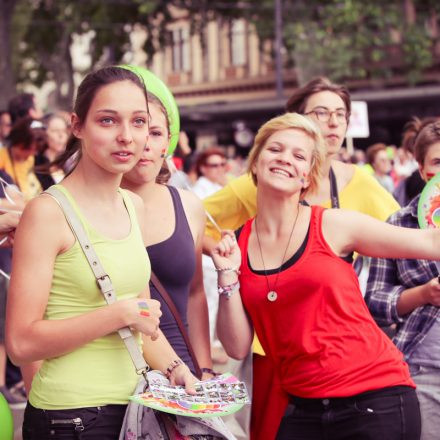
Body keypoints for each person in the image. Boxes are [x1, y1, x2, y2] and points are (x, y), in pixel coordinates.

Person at [211, 112, 435, 440]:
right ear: (255, 163)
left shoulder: (332, 224)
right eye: (275, 150)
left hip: (374, 399)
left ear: (306, 177)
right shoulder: (238, 244)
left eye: (299, 155)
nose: (285, 159)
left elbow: (429, 241)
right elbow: (236, 346)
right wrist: (227, 276)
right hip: (303, 406)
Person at [5, 66, 196, 439]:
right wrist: (115, 315)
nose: (126, 137)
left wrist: (178, 371)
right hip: (71, 419)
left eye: (138, 121)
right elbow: (20, 343)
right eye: (108, 121)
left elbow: (142, 321)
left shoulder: (131, 205)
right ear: (78, 126)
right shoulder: (48, 212)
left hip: (135, 408)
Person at [121, 92, 214, 379]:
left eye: (156, 132)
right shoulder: (86, 208)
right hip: (116, 379)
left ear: (167, 143)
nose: (146, 143)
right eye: (138, 127)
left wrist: (205, 369)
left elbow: (196, 293)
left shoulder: (188, 205)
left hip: (182, 376)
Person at [365, 118, 440, 440]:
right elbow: (371, 301)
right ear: (422, 170)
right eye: (438, 161)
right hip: (422, 373)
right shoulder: (398, 224)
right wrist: (424, 293)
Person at [0, 117, 44, 200]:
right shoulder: (2, 157)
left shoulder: (30, 159)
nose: (32, 153)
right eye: (29, 149)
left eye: (36, 150)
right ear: (19, 142)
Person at [35, 112, 69, 190]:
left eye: (64, 131)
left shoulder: (64, 163)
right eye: (55, 131)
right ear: (43, 133)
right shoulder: (36, 163)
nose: (61, 135)